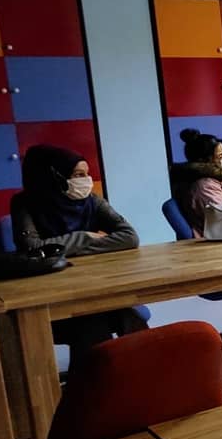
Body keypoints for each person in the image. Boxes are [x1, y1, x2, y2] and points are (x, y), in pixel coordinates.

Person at [10, 145, 146, 359]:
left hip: (93, 286)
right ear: (56, 176)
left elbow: (129, 237)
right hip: (50, 296)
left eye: (87, 174)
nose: (86, 180)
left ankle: (144, 373)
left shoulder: (92, 201)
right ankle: (93, 379)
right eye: (78, 175)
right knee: (93, 322)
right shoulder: (25, 203)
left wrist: (62, 249)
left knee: (128, 317)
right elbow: (32, 248)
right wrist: (85, 237)